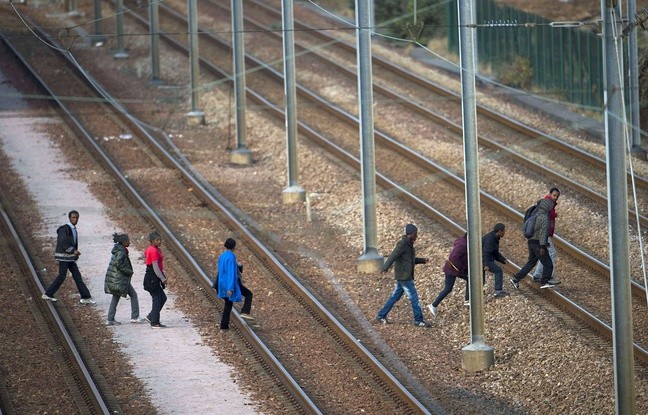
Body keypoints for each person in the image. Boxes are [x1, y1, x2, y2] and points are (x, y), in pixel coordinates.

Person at [375, 224, 430, 327]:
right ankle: (418, 320)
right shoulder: (402, 244)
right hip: (404, 276)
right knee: (414, 298)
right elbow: (393, 256)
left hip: (404, 276)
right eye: (415, 234)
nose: (416, 236)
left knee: (394, 296)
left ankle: (381, 315)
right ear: (410, 234)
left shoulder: (409, 244)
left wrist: (422, 260)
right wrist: (385, 267)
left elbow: (409, 260)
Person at [42, 210, 97, 304]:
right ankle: (48, 294)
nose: (75, 219)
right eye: (73, 217)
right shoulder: (65, 229)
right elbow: (63, 242)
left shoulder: (73, 229)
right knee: (62, 276)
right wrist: (73, 251)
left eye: (76, 217)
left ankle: (85, 297)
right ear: (69, 218)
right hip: (64, 257)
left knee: (77, 276)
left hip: (69, 258)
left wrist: (74, 254)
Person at [510, 197, 559, 290]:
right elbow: (543, 233)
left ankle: (516, 278)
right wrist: (542, 246)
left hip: (531, 241)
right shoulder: (544, 217)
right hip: (538, 243)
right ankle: (545, 281)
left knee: (531, 262)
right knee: (548, 263)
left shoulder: (536, 214)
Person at [104, 233, 146, 325]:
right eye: (128, 241)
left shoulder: (119, 249)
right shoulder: (121, 252)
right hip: (119, 279)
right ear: (123, 242)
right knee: (133, 295)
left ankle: (110, 319)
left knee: (116, 297)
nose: (129, 242)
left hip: (117, 279)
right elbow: (118, 264)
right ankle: (134, 317)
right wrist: (129, 271)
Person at [427, 233, 469, 317]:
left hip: (454, 269)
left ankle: (467, 300)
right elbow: (453, 257)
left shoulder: (463, 242)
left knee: (469, 279)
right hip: (452, 269)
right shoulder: (463, 244)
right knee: (448, 288)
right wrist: (460, 269)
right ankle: (433, 305)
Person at [216, 238, 254, 330]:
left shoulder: (222, 256)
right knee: (249, 294)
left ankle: (224, 327)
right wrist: (230, 288)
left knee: (228, 305)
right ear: (234, 247)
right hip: (231, 284)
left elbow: (222, 270)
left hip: (222, 283)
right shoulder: (231, 257)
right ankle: (245, 311)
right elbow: (231, 273)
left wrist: (237, 266)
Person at [531, 188, 560, 284]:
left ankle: (537, 275)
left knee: (545, 254)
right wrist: (553, 214)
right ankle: (548, 277)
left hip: (543, 233)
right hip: (543, 233)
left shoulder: (549, 203)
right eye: (554, 195)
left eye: (557, 196)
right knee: (552, 253)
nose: (555, 198)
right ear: (550, 194)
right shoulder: (547, 203)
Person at [143, 231, 168, 328]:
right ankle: (154, 322)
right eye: (157, 240)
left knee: (162, 298)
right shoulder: (153, 250)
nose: (159, 241)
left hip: (154, 277)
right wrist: (162, 278)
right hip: (153, 277)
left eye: (160, 240)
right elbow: (155, 266)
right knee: (157, 299)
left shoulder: (154, 249)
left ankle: (151, 316)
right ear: (152, 241)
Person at [482, 223, 509, 298]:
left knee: (481, 275)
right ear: (500, 231)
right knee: (498, 271)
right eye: (504, 231)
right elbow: (486, 252)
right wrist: (486, 264)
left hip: (482, 259)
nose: (504, 233)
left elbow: (494, 252)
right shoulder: (490, 240)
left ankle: (479, 290)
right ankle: (498, 291)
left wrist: (503, 260)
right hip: (483, 259)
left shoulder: (494, 237)